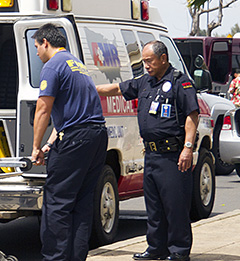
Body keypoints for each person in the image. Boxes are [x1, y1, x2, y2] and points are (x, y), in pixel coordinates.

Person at [96, 40, 199, 261]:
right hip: (151, 155)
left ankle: (179, 251)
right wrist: (89, 89)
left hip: (173, 155)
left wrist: (188, 148)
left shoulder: (180, 83)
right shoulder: (145, 82)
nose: (146, 66)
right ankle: (156, 248)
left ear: (163, 59)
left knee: (175, 206)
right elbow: (116, 89)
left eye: (149, 61)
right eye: (143, 61)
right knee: (154, 207)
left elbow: (192, 115)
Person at [29, 23, 108, 261]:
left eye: (36, 47)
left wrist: (35, 147)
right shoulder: (77, 65)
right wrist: (50, 144)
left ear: (45, 42)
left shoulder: (52, 66)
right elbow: (71, 115)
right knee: (81, 204)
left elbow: (43, 108)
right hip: (95, 137)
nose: (36, 53)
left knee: (57, 202)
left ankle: (55, 257)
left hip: (77, 139)